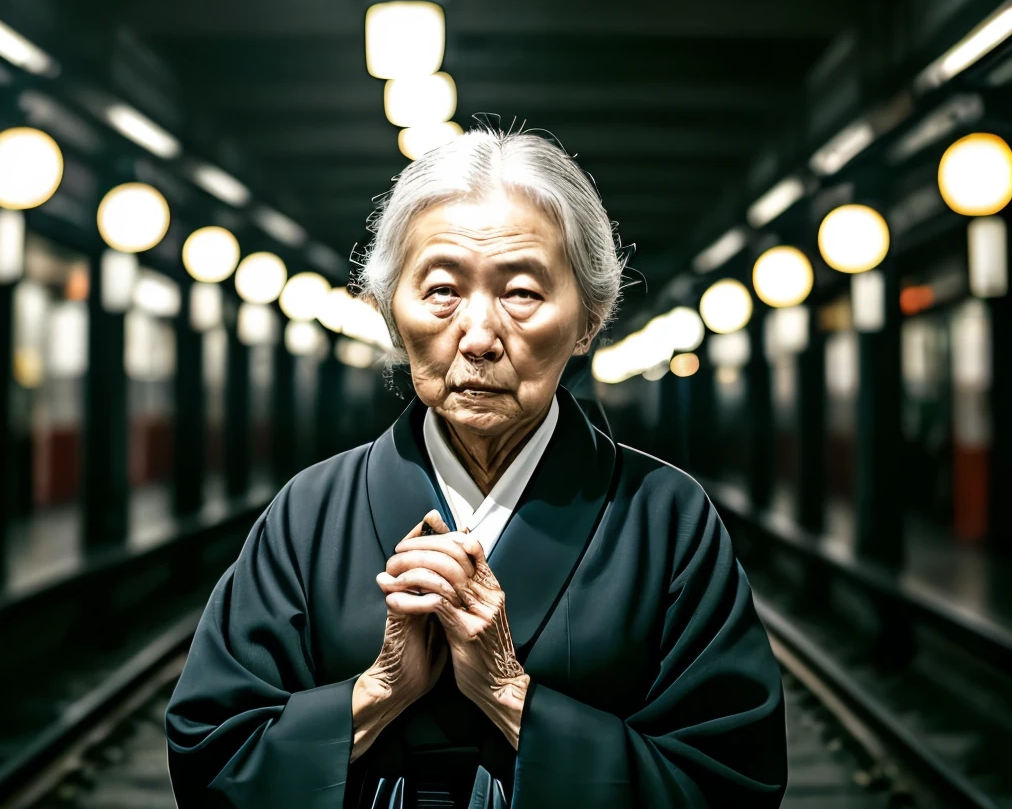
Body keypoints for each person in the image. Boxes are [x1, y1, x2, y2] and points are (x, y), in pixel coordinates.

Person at [165, 129, 787, 808]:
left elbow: (732, 781)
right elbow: (211, 756)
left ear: (589, 320)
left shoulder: (666, 516)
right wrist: (379, 690)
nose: (481, 337)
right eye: (441, 290)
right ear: (389, 315)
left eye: (521, 292)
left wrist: (509, 693)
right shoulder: (309, 512)